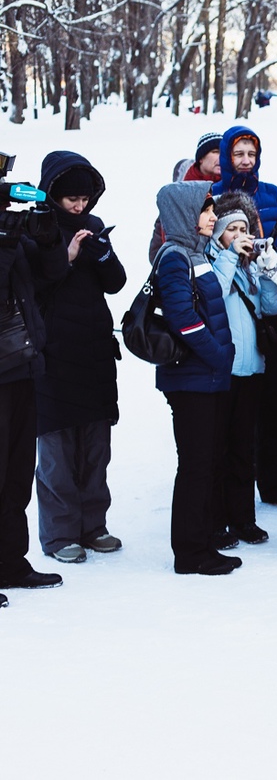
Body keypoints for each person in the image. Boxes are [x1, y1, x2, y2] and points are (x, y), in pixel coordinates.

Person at [33, 152, 127, 565]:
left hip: (93, 354)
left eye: (84, 198)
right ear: (52, 193)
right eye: (71, 198)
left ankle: (93, 525)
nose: (79, 206)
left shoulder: (91, 226)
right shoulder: (37, 227)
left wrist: (101, 251)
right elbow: (31, 287)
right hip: (52, 358)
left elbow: (116, 282)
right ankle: (59, 534)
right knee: (56, 455)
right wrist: (65, 257)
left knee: (95, 450)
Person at [212, 126, 277, 512]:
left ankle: (275, 483)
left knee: (276, 402)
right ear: (226, 156)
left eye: (251, 154)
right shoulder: (213, 198)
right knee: (233, 411)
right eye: (238, 154)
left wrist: (273, 250)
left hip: (272, 312)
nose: (245, 161)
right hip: (229, 312)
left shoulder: (273, 196)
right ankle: (228, 495)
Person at [153, 181, 241, 576]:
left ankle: (206, 541)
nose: (213, 218)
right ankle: (190, 552)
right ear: (185, 215)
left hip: (209, 377)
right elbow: (183, 321)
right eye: (206, 211)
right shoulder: (174, 257)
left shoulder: (197, 253)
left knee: (208, 463)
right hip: (192, 380)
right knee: (195, 465)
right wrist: (219, 355)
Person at [0, 160, 69, 601]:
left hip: (21, 366)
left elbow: (52, 275)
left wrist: (46, 238)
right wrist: (7, 238)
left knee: (17, 473)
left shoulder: (10, 228)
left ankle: (10, 561)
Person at [205, 194, 277, 548]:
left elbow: (276, 304)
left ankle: (243, 519)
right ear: (218, 236)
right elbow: (214, 297)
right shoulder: (212, 263)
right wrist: (228, 256)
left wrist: (268, 269)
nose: (241, 235)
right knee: (217, 450)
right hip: (222, 369)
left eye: (244, 229)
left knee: (243, 447)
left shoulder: (249, 264)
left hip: (253, 367)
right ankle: (216, 521)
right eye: (232, 230)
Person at [151, 131, 223, 261]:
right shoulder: (179, 193)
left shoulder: (230, 190)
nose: (221, 157)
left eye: (225, 153)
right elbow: (159, 246)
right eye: (215, 152)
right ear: (201, 158)